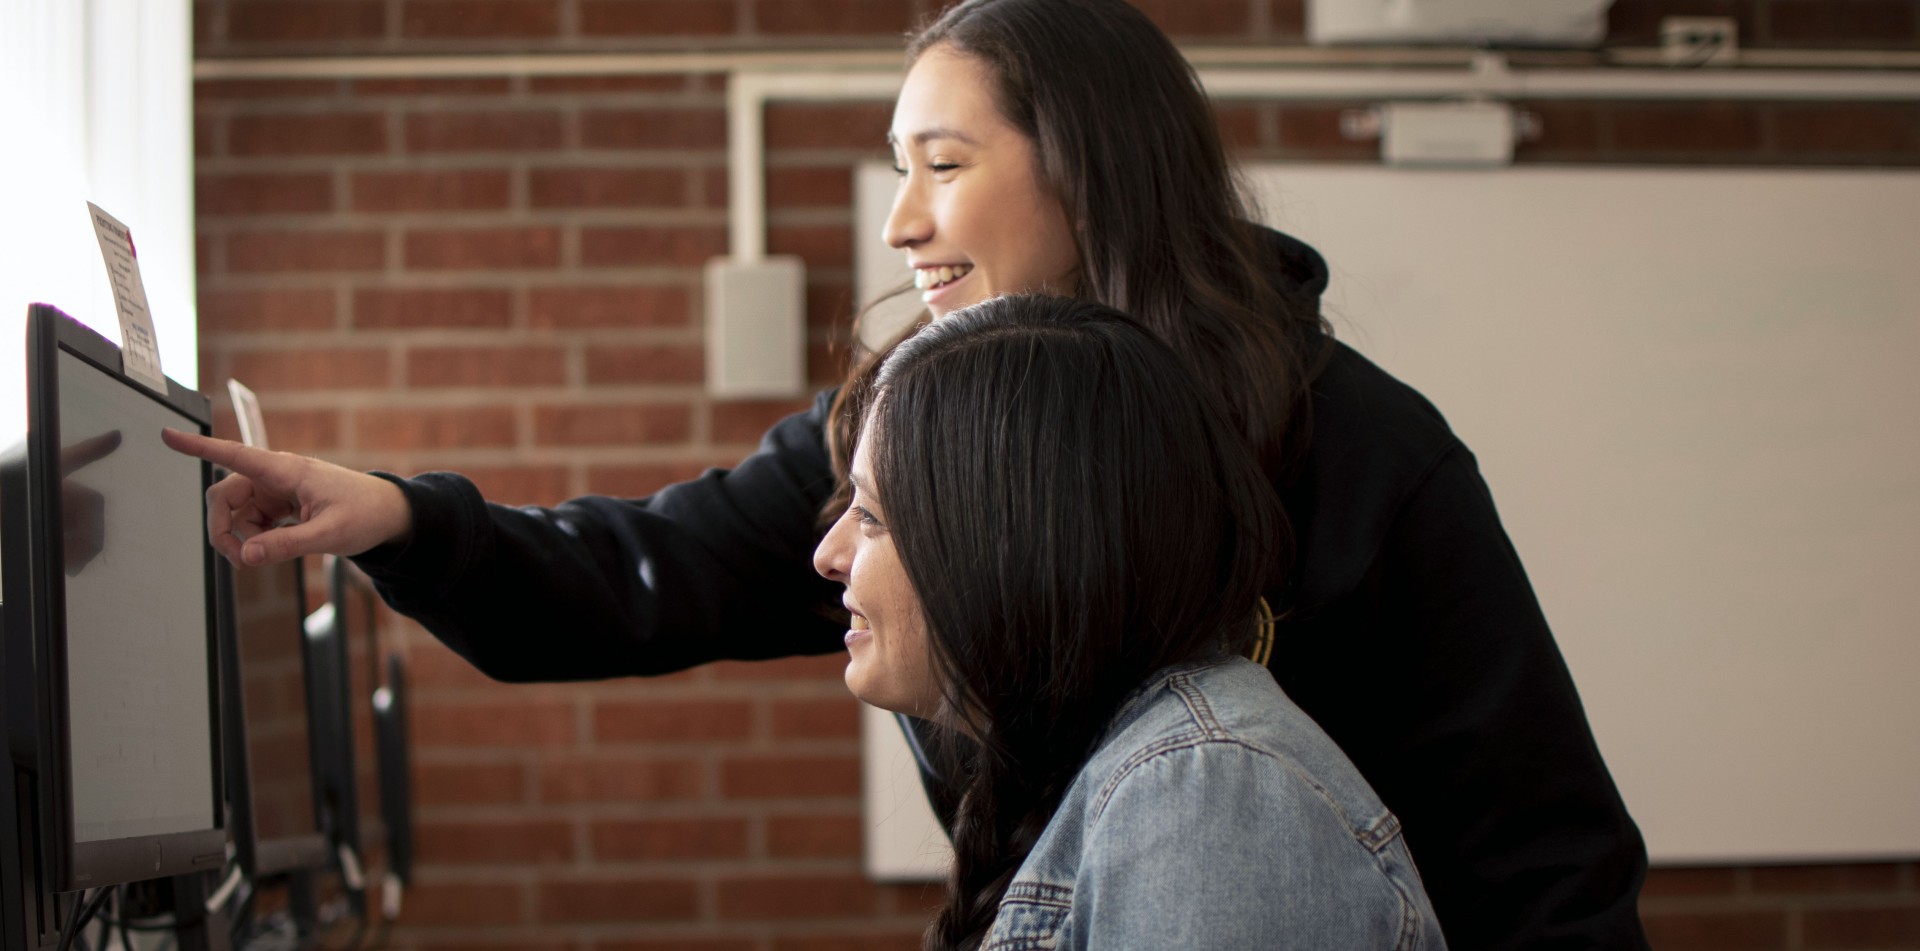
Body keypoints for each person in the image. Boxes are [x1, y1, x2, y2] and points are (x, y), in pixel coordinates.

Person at [163, 0, 1651, 946]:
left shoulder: (1368, 452)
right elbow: (641, 579)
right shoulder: (913, 430)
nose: (900, 224)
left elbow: (1547, 860)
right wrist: (401, 518)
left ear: (1088, 166)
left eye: (943, 164)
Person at [816, 294, 1444, 949]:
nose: (827, 554)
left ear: (1010, 546)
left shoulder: (1202, 787)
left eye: (871, 515)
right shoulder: (1127, 772)